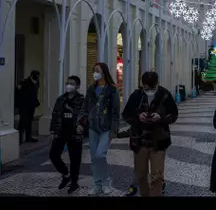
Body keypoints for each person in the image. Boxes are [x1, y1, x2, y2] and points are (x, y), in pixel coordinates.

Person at [122, 71, 178, 197]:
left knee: (157, 177)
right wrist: (138, 117)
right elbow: (126, 115)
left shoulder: (164, 95)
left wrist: (161, 117)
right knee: (141, 176)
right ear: (142, 84)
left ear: (157, 84)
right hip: (139, 141)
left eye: (152, 87)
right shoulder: (136, 95)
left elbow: (173, 115)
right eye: (146, 87)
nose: (149, 90)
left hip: (159, 142)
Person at [77, 62, 120, 195]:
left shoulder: (112, 89)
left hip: (106, 128)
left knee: (100, 155)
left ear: (104, 73)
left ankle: (106, 182)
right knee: (94, 158)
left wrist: (114, 129)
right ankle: (97, 185)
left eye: (97, 71)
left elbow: (115, 111)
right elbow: (85, 108)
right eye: (93, 70)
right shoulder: (91, 89)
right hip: (93, 127)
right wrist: (80, 123)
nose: (95, 73)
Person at [49, 75, 85, 194]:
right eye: (67, 83)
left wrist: (82, 126)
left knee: (75, 159)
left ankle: (74, 182)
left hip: (75, 133)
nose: (69, 85)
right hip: (61, 132)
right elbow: (55, 115)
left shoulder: (81, 100)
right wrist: (53, 130)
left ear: (77, 86)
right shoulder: (60, 99)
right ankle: (65, 174)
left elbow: (85, 115)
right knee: (53, 154)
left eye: (72, 84)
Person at [16, 70, 41, 143]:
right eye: (35, 77)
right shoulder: (24, 82)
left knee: (29, 121)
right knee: (23, 121)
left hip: (31, 105)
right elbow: (17, 92)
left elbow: (35, 93)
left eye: (37, 77)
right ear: (31, 76)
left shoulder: (37, 83)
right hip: (23, 105)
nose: (36, 79)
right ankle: (19, 139)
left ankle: (28, 137)